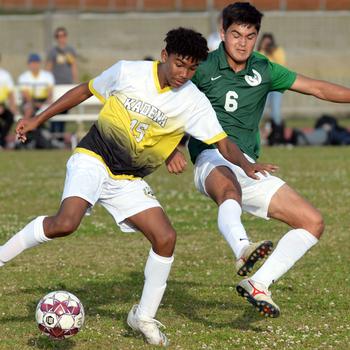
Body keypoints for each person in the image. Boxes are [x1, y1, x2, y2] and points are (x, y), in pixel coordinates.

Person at [1, 28, 275, 346]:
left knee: (165, 238)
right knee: (65, 223)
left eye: (191, 68)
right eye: (179, 64)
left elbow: (223, 143)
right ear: (164, 56)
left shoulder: (194, 102)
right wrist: (37, 118)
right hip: (94, 158)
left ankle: (142, 316)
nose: (183, 74)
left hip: (129, 180)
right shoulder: (128, 72)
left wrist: (246, 164)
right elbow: (84, 90)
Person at [168, 2, 350, 318]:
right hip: (211, 158)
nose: (242, 42)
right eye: (235, 34)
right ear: (222, 32)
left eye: (250, 36)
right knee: (229, 191)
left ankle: (259, 283)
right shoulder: (204, 66)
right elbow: (168, 102)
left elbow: (317, 88)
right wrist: (169, 149)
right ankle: (242, 249)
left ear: (257, 37)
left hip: (248, 164)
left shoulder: (263, 69)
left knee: (312, 222)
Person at [17, 53, 55, 149]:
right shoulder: (24, 77)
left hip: (43, 102)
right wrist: (36, 104)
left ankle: (24, 136)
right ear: (29, 64)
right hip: (30, 102)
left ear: (39, 64)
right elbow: (26, 96)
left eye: (36, 63)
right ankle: (26, 135)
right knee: (30, 109)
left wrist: (43, 103)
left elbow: (50, 95)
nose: (34, 65)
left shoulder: (47, 76)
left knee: (42, 112)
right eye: (32, 63)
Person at [46, 27, 78, 136]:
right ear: (56, 38)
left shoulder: (70, 50)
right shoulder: (53, 51)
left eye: (63, 35)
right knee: (55, 110)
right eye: (59, 36)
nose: (61, 38)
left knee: (65, 109)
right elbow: (49, 68)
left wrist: (75, 82)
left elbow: (74, 66)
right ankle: (53, 133)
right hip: (56, 85)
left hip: (67, 84)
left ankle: (60, 135)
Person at [257, 32, 287, 144]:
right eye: (265, 42)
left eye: (268, 42)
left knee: (276, 112)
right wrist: (263, 51)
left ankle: (278, 136)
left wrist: (271, 52)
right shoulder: (259, 52)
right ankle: (260, 137)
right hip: (263, 86)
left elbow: (281, 64)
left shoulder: (277, 51)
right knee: (260, 111)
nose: (266, 44)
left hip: (276, 86)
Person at [0, 54, 17, 148]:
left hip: (2, 105)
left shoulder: (5, 75)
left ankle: (1, 142)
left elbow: (10, 93)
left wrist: (13, 107)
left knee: (10, 117)